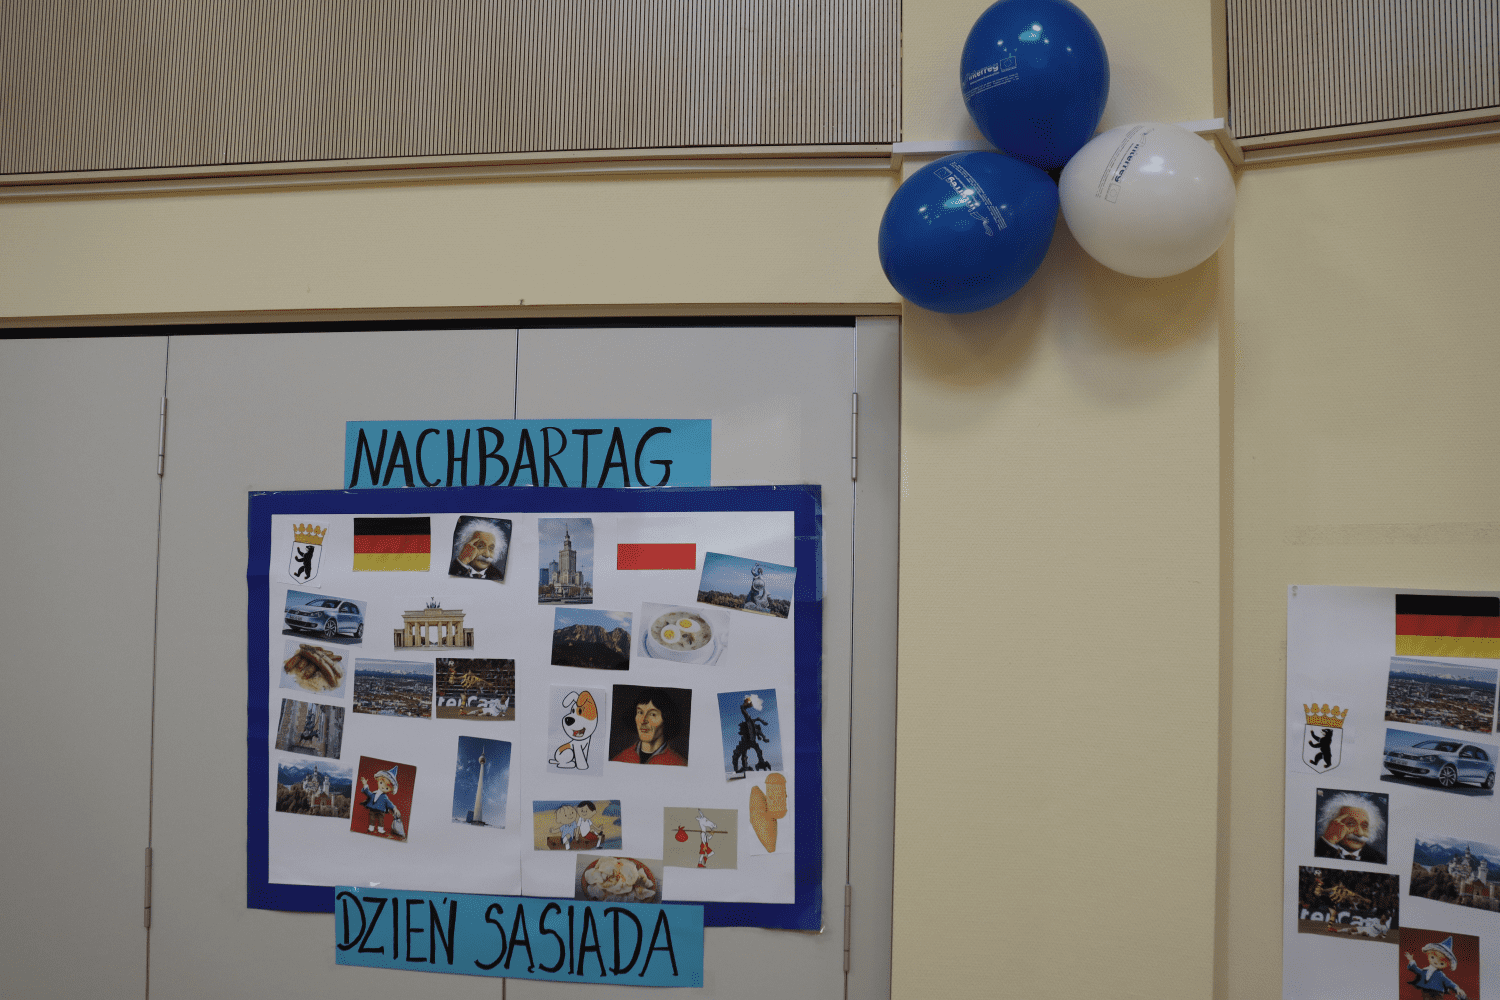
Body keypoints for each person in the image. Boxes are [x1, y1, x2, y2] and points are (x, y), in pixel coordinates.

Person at [611, 688, 687, 765]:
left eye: (652, 714)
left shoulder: (679, 764)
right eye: (640, 712)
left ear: (666, 719)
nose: (643, 720)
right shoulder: (620, 759)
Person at [1313, 793, 1385, 863]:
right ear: (1332, 824)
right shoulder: (1315, 850)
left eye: (1364, 826)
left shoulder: (1379, 859)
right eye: (1351, 824)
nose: (1359, 833)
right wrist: (1329, 841)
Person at [359, 765, 403, 839]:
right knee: (372, 817)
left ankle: (380, 828)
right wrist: (365, 785)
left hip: (381, 810)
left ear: (390, 790)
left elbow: (389, 803)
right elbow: (368, 793)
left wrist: (394, 808)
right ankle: (371, 827)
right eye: (381, 783)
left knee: (381, 819)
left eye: (387, 788)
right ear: (378, 780)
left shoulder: (385, 797)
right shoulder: (374, 793)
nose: (383, 787)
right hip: (372, 808)